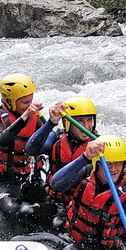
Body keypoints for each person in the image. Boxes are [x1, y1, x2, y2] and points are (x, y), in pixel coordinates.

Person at [48, 135, 126, 250]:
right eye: (107, 163)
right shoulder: (87, 174)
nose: (113, 169)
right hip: (76, 240)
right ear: (97, 164)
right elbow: (56, 184)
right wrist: (85, 157)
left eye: (118, 163)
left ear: (124, 164)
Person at [0, 73, 56, 231]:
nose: (29, 105)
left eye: (30, 101)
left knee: (50, 206)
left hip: (30, 178)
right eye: (25, 102)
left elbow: (49, 140)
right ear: (10, 101)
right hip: (4, 181)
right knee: (12, 209)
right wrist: (24, 117)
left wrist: (51, 122)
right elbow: (1, 138)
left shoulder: (36, 118)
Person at [25, 96, 99, 225]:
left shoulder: (98, 147)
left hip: (79, 207)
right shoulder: (57, 137)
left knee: (57, 223)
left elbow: (62, 184)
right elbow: (31, 149)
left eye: (89, 120)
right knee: (26, 212)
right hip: (54, 200)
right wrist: (51, 123)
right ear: (68, 123)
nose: (87, 126)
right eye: (80, 121)